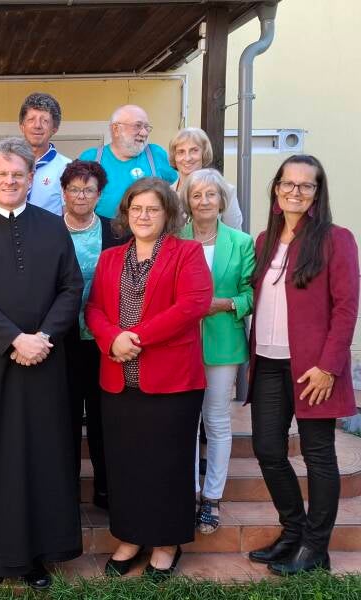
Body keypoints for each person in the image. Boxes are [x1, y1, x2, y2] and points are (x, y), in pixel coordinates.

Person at [0, 138, 83, 589]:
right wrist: (14, 340)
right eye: (2, 174)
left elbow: (71, 288)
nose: (9, 181)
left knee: (39, 457)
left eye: (18, 175)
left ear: (31, 179)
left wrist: (43, 337)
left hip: (46, 362)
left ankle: (36, 557)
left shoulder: (53, 228)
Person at [85, 178, 211, 578]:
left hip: (172, 381)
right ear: (126, 213)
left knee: (167, 465)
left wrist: (134, 338)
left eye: (153, 209)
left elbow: (193, 304)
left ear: (168, 214)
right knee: (125, 465)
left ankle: (165, 542)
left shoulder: (186, 253)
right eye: (136, 208)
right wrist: (110, 339)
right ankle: (130, 537)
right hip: (119, 379)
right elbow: (94, 309)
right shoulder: (110, 258)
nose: (143, 216)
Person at [247, 155, 359, 575]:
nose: (295, 191)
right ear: (276, 189)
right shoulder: (264, 240)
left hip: (315, 370)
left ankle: (316, 548)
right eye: (287, 183)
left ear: (317, 193)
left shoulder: (336, 239)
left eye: (305, 185)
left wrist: (329, 367)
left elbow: (347, 309)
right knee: (268, 450)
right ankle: (293, 532)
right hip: (269, 363)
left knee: (319, 457)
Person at [178, 169, 255, 534]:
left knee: (217, 420)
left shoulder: (241, 242)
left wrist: (224, 303)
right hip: (179, 342)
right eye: (197, 195)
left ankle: (211, 498)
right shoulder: (175, 239)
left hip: (223, 342)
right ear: (187, 202)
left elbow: (253, 295)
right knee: (185, 420)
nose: (204, 201)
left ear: (222, 200)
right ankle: (188, 492)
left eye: (211, 194)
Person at [60, 159, 122, 510]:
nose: (81, 195)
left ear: (99, 195)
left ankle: (106, 489)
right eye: (74, 188)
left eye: (88, 189)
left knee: (103, 417)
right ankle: (66, 490)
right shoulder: (49, 231)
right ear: (63, 192)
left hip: (105, 340)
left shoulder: (116, 232)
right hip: (63, 340)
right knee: (64, 416)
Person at [79, 105, 177, 218]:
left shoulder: (156, 153)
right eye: (138, 126)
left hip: (148, 228)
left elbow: (176, 189)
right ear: (116, 129)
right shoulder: (91, 157)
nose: (144, 133)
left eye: (146, 127)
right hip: (102, 231)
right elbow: (74, 196)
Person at [169, 127, 242, 229]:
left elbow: (236, 239)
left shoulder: (226, 191)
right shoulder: (166, 194)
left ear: (204, 153)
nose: (187, 158)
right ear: (174, 156)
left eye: (194, 150)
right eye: (181, 152)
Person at [19, 92, 71, 215]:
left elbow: (69, 216)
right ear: (22, 126)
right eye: (31, 119)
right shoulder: (10, 164)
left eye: (45, 121)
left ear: (55, 128)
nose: (37, 125)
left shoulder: (67, 168)